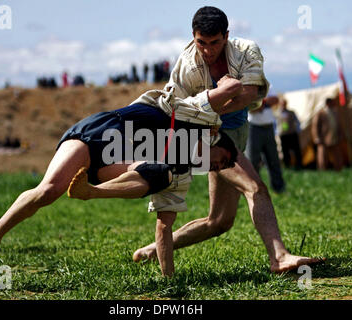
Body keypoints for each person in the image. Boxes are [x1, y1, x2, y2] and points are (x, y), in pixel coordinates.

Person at [132, 6, 323, 273]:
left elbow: (249, 94)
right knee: (255, 188)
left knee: (219, 221)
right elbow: (175, 112)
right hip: (205, 137)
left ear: (227, 36)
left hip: (233, 133)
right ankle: (278, 257)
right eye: (201, 42)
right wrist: (209, 110)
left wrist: (207, 105)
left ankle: (154, 249)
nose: (208, 50)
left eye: (215, 42)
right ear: (193, 36)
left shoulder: (246, 50)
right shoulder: (186, 67)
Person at [0, 101, 239, 279]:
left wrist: (168, 279)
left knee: (160, 174)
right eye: (225, 159)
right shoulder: (189, 121)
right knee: (48, 190)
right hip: (101, 131)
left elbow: (165, 226)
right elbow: (214, 92)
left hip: (114, 164)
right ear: (213, 138)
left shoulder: (180, 171)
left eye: (221, 167)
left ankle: (91, 191)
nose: (219, 167)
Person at [246, 97, 286, 193]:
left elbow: (276, 100)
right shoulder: (247, 83)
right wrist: (265, 102)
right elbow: (250, 107)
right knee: (252, 160)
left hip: (268, 126)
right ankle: (253, 189)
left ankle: (279, 188)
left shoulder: (268, 86)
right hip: (253, 127)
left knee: (273, 159)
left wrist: (259, 102)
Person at [311, 97, 343, 171]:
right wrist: (316, 137)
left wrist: (340, 134)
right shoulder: (320, 113)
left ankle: (338, 169)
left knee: (337, 155)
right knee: (322, 156)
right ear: (328, 103)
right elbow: (315, 126)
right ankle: (322, 170)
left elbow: (339, 124)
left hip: (334, 136)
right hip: (323, 138)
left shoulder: (335, 112)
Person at [277, 99, 303, 169]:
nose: (283, 105)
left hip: (292, 133)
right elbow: (275, 124)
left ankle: (299, 165)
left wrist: (298, 130)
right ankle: (287, 166)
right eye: (282, 104)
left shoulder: (291, 112)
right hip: (283, 135)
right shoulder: (277, 113)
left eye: (284, 104)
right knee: (285, 151)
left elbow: (297, 121)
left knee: (296, 150)